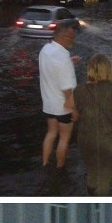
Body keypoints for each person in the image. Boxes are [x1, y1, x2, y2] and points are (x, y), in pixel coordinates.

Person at [73, 54, 112, 196]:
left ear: (89, 69)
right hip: (108, 142)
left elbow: (72, 113)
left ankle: (91, 191)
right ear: (108, 70)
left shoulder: (79, 90)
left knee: (91, 171)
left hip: (85, 140)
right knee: (104, 178)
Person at [39, 23, 80, 171]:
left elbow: (53, 69)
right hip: (63, 108)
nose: (73, 40)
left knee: (51, 133)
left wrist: (69, 63)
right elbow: (67, 89)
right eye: (71, 37)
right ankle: (59, 168)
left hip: (48, 104)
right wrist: (74, 109)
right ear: (63, 37)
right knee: (64, 138)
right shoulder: (63, 57)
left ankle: (44, 163)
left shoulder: (45, 50)